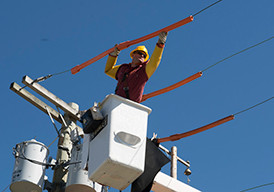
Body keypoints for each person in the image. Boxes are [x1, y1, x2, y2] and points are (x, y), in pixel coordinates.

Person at [105, 31, 168, 103]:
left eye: (144, 56)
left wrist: (160, 43)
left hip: (132, 106)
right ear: (133, 55)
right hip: (117, 102)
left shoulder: (144, 70)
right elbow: (108, 70)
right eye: (140, 53)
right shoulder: (123, 68)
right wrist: (113, 55)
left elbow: (155, 60)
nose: (142, 56)